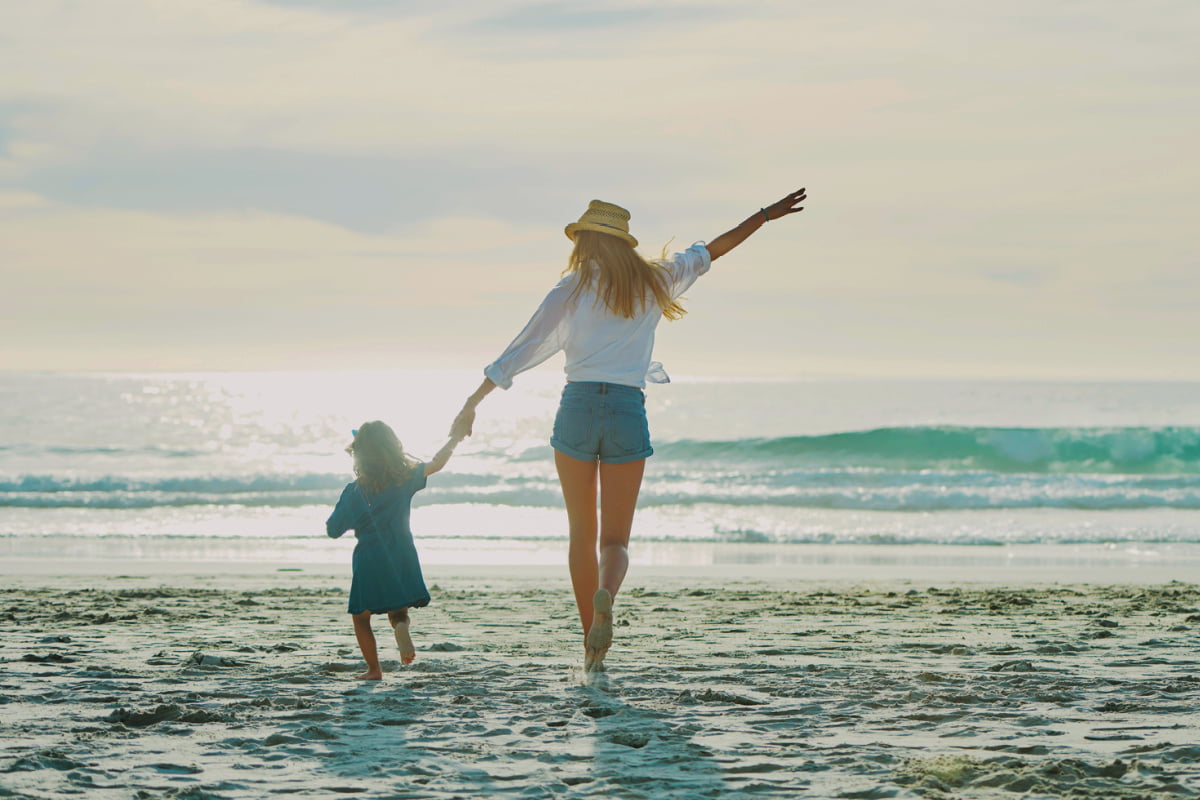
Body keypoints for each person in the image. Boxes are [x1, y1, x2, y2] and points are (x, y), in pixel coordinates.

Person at [451, 189, 807, 672]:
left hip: (576, 408)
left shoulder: (569, 290)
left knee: (582, 533)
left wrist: (473, 402)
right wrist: (765, 216)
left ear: (585, 243)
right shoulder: (656, 279)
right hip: (626, 410)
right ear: (623, 242)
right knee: (615, 542)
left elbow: (522, 348)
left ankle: (589, 648)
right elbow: (716, 248)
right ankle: (606, 600)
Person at [326, 421, 463, 680]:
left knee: (361, 617)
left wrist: (343, 518)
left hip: (368, 558)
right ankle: (401, 627)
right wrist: (454, 439)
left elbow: (333, 529)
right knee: (398, 610)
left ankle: (374, 669)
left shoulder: (354, 491)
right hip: (402, 552)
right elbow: (436, 463)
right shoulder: (405, 478)